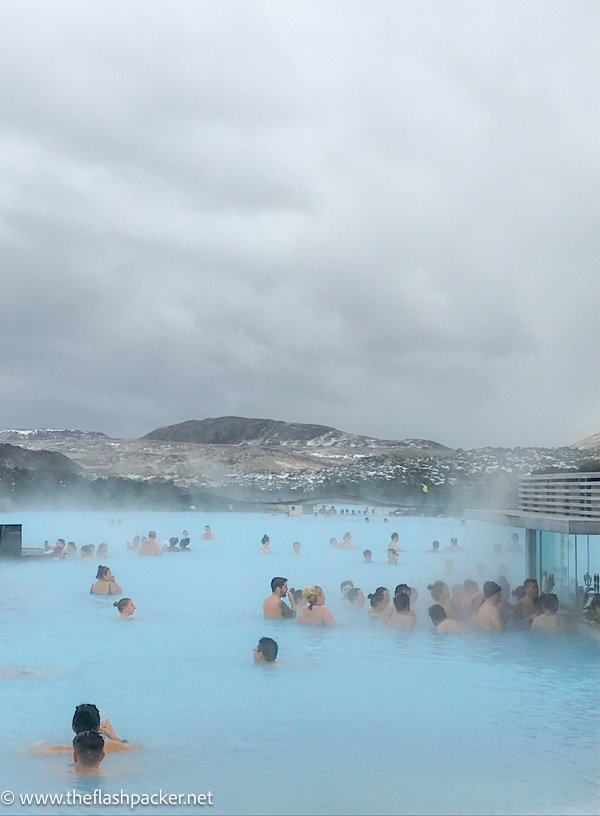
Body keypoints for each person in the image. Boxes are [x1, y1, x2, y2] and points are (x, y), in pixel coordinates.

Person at [38, 703, 140, 753]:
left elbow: (32, 755)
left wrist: (36, 745)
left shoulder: (62, 750)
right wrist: (114, 736)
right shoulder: (112, 747)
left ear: (73, 727)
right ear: (98, 726)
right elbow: (139, 748)